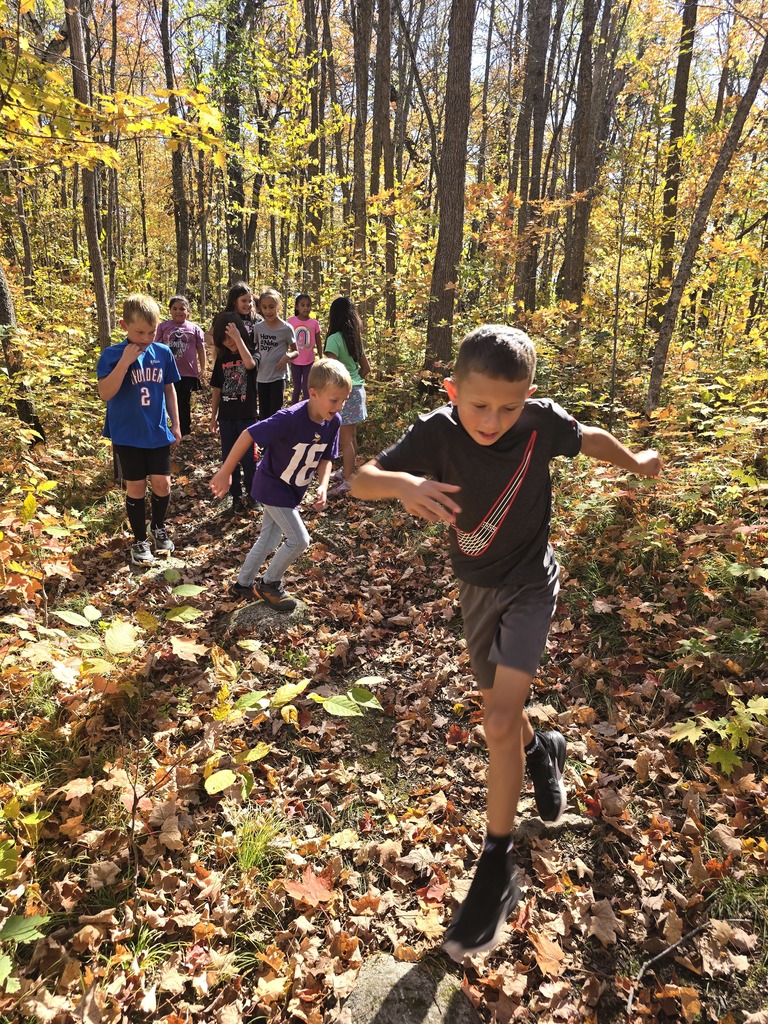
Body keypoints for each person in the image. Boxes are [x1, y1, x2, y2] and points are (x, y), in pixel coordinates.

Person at [350, 325, 662, 959]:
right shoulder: (436, 431)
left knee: (495, 720)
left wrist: (635, 461)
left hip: (529, 585)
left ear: (530, 398)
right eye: (479, 404)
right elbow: (361, 477)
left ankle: (496, 867)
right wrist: (405, 486)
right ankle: (545, 749)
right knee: (505, 715)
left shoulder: (540, 425)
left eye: (510, 406)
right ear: (452, 391)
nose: (493, 420)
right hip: (477, 592)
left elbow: (588, 438)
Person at [209, 358, 352, 611]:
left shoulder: (334, 421)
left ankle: (242, 585)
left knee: (270, 538)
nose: (339, 406)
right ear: (313, 393)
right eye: (334, 400)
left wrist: (322, 485)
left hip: (292, 490)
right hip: (272, 485)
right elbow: (248, 434)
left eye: (343, 400)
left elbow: (327, 457)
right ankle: (269, 584)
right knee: (299, 540)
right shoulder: (289, 418)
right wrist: (225, 471)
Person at [97, 294, 182, 566]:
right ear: (124, 325)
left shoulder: (163, 353)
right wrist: (124, 362)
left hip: (156, 431)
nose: (146, 338)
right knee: (135, 487)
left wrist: (176, 424)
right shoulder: (111, 355)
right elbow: (105, 393)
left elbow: (169, 389)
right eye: (139, 332)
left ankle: (157, 528)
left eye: (152, 331)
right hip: (127, 434)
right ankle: (139, 541)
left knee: (162, 483)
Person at [209, 312, 259, 513]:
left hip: (247, 416)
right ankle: (236, 496)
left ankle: (253, 495)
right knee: (229, 458)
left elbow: (250, 365)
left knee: (249, 459)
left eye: (231, 337)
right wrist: (213, 416)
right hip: (227, 417)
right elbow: (216, 390)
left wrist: (238, 339)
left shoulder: (251, 352)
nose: (228, 343)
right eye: (224, 339)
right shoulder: (222, 359)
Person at [323, 296, 370, 496]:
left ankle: (349, 479)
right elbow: (366, 368)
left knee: (345, 439)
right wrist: (354, 381)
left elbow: (331, 371)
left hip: (346, 393)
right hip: (358, 391)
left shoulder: (334, 339)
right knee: (352, 436)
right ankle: (348, 471)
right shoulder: (354, 339)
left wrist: (338, 390)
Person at [155, 296, 206, 438]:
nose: (178, 312)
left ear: (188, 311)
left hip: (188, 372)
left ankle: (184, 430)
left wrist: (203, 368)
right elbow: (155, 347)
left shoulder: (194, 329)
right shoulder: (163, 327)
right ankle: (167, 427)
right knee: (167, 399)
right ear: (170, 310)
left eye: (182, 309)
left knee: (184, 400)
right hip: (167, 371)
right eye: (175, 309)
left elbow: (201, 349)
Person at [253, 288, 297, 420]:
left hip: (278, 376)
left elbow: (296, 351)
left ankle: (276, 439)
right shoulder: (258, 328)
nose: (268, 311)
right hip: (261, 376)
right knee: (264, 413)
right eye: (264, 307)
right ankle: (264, 440)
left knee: (275, 412)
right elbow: (256, 348)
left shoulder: (286, 328)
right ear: (260, 308)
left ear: (278, 306)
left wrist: (288, 356)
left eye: (271, 307)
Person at [287, 293, 323, 403]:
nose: (306, 308)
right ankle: (293, 410)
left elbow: (318, 341)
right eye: (302, 305)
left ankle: (307, 409)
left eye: (308, 305)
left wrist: (321, 357)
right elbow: (285, 338)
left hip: (309, 361)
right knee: (297, 388)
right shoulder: (291, 321)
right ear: (297, 307)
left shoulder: (314, 323)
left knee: (307, 387)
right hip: (295, 360)